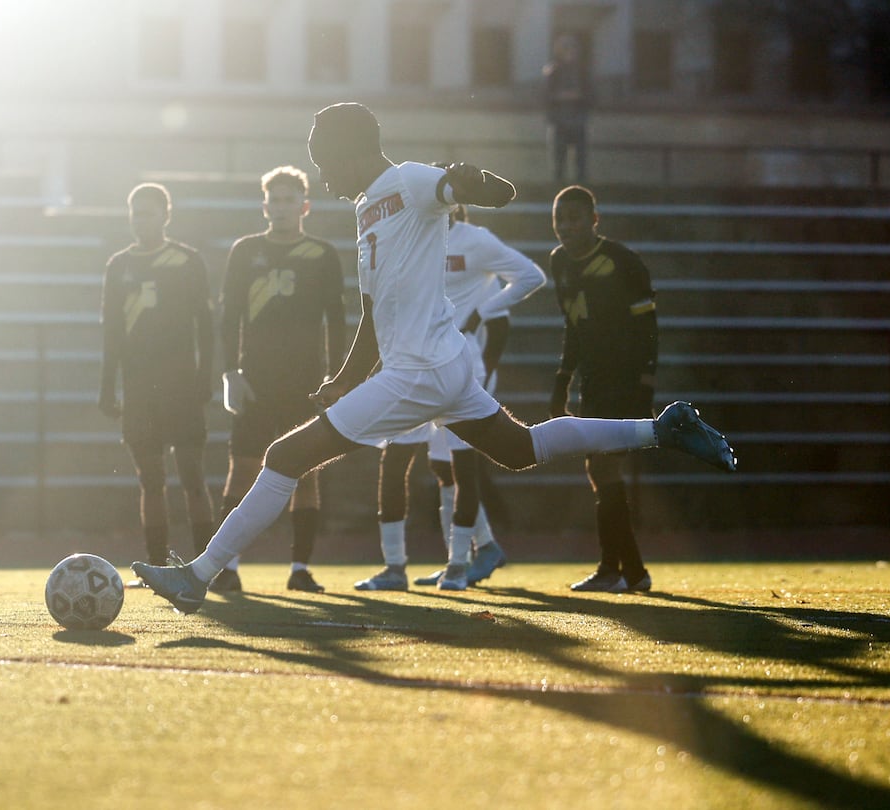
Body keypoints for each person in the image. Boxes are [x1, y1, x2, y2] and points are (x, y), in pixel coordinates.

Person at [132, 102, 736, 614]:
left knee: (284, 455)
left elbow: (492, 193)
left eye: (323, 160)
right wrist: (342, 380)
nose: (321, 173)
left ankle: (199, 576)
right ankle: (660, 429)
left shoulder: (413, 181)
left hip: (420, 370)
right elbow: (372, 316)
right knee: (520, 449)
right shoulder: (365, 211)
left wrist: (468, 181)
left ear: (351, 151)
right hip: (439, 365)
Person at [356, 203, 547, 591]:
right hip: (411, 366)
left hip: (460, 366)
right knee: (403, 462)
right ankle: (399, 567)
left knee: (461, 466)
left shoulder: (475, 241)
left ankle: (459, 565)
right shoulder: (408, 236)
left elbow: (529, 277)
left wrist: (481, 313)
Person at [212, 166, 347, 594]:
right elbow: (227, 317)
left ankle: (300, 568)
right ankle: (227, 567)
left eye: (291, 199)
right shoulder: (245, 250)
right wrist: (230, 372)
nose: (283, 207)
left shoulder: (322, 254)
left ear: (304, 206)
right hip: (255, 381)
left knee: (306, 475)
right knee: (243, 470)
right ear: (264, 205)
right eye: (276, 199)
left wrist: (337, 376)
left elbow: (337, 321)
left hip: (306, 382)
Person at [98, 183, 215, 579]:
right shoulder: (118, 265)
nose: (140, 221)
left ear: (166, 215)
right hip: (138, 391)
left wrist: (204, 379)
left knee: (192, 477)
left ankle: (206, 565)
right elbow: (111, 331)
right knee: (150, 480)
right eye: (135, 214)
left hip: (180, 387)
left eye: (148, 213)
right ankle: (156, 566)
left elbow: (206, 325)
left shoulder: (186, 261)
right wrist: (106, 387)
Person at [549, 184, 662, 592]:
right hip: (592, 383)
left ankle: (622, 571)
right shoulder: (559, 262)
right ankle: (624, 571)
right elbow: (573, 326)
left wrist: (645, 388)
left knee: (601, 467)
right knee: (599, 469)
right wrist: (562, 380)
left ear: (594, 220)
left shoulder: (623, 262)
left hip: (624, 379)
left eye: (574, 218)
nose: (565, 227)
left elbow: (648, 329)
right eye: (559, 219)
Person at [542, 33, 592, 184]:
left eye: (573, 49)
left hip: (578, 119)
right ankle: (557, 187)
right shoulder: (553, 71)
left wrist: (579, 97)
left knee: (580, 161)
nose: (570, 53)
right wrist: (561, 96)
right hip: (558, 120)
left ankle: (581, 188)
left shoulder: (583, 72)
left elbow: (591, 94)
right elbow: (545, 96)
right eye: (566, 49)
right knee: (558, 159)